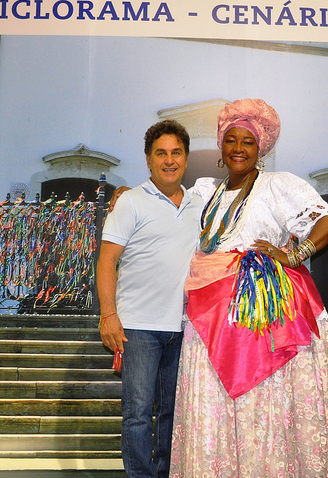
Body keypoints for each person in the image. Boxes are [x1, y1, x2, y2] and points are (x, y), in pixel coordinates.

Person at [169, 98, 328, 477]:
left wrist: (294, 255)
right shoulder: (206, 192)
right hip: (209, 315)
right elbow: (171, 213)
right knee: (214, 401)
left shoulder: (275, 186)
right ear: (220, 146)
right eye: (231, 140)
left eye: (247, 142)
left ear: (260, 148)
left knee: (263, 399)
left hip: (259, 314)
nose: (238, 148)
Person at [97, 120, 203, 478]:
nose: (169, 160)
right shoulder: (130, 202)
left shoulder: (200, 205)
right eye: (161, 153)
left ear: (186, 158)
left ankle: (166, 473)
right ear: (148, 159)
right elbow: (106, 262)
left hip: (184, 327)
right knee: (138, 414)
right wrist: (108, 315)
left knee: (174, 413)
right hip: (138, 328)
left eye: (176, 153)